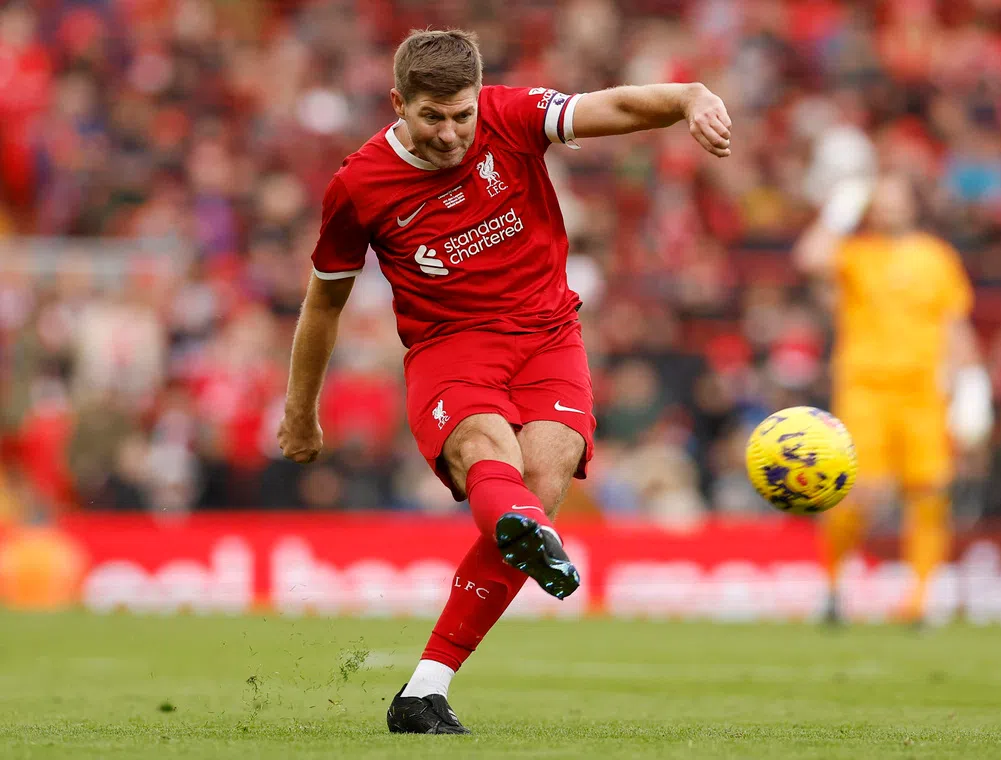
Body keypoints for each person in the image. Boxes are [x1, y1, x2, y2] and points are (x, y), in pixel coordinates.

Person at [275, 29, 731, 734]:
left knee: (543, 477)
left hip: (549, 333)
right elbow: (323, 302)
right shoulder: (358, 186)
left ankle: (423, 690)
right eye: (432, 117)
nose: (452, 133)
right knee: (490, 450)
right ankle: (518, 524)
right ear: (398, 103)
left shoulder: (511, 116)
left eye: (462, 115)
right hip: (450, 347)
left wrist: (687, 97)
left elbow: (609, 109)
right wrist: (300, 411)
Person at [794, 172, 992, 625]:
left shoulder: (938, 258)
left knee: (928, 491)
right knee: (857, 493)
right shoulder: (856, 253)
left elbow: (955, 324)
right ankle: (831, 586)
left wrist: (973, 387)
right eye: (879, 203)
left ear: (911, 204)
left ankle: (920, 601)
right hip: (865, 387)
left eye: (894, 200)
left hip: (924, 391)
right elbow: (808, 258)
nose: (887, 209)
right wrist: (840, 210)